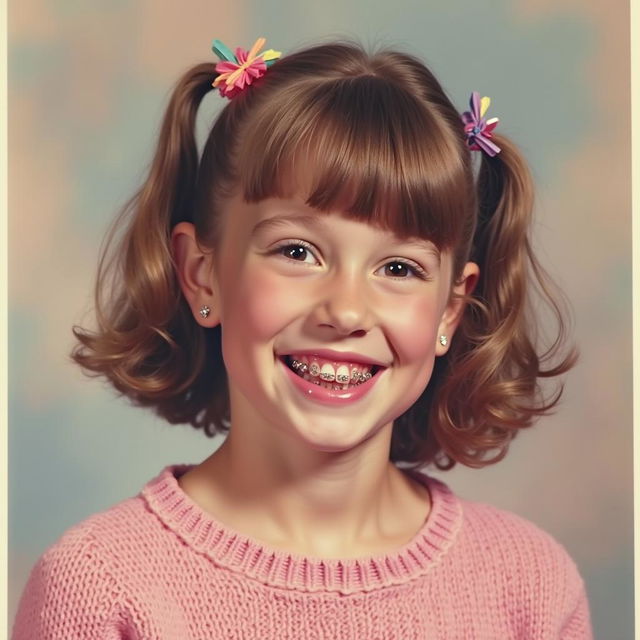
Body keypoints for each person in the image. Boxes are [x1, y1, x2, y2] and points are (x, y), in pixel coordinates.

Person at [12, 37, 594, 639]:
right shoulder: (100, 585)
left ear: (450, 310)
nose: (345, 312)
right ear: (200, 272)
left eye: (399, 268)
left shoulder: (533, 586)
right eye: (298, 251)